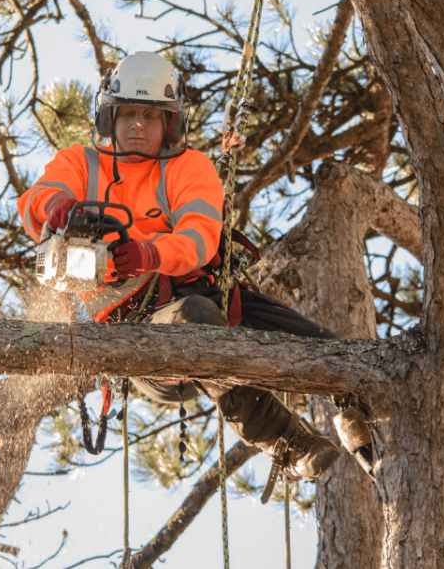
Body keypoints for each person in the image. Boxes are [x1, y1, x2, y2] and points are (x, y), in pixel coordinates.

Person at [18, 51, 365, 499]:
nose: (138, 125)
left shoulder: (189, 168)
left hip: (208, 297)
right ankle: (287, 441)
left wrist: (147, 254)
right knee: (194, 317)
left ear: (171, 123)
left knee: (335, 352)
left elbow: (199, 237)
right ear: (110, 117)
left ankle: (364, 417)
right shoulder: (81, 163)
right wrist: (58, 207)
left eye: (150, 115)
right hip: (138, 338)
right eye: (128, 115)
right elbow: (35, 200)